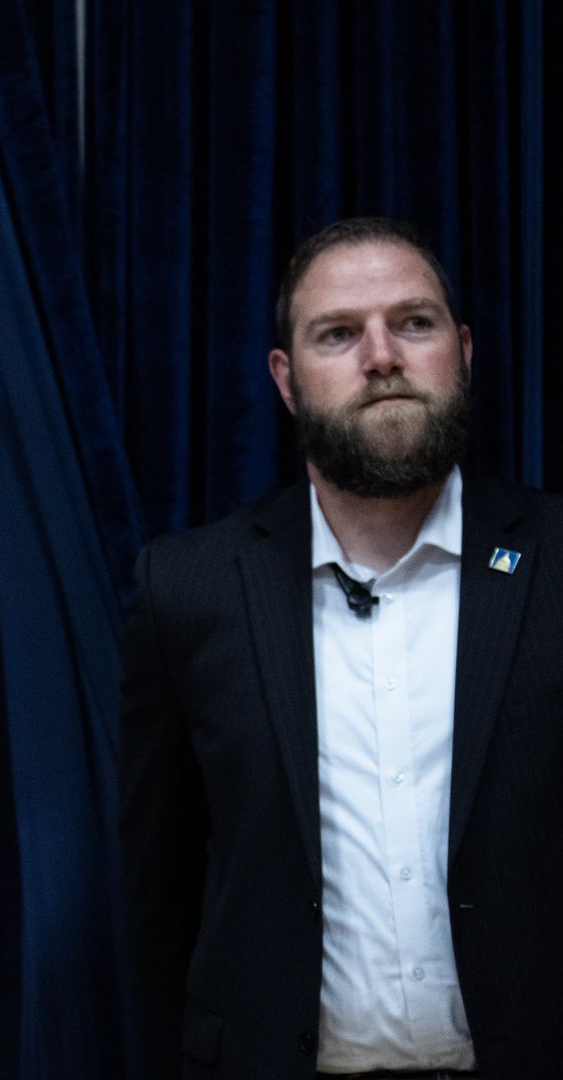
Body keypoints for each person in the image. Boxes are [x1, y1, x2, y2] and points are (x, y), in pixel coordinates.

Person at [120, 216, 563, 1079]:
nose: (382, 356)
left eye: (414, 323)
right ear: (287, 380)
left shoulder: (554, 561)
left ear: (462, 351)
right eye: (338, 333)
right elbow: (158, 889)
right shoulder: (189, 588)